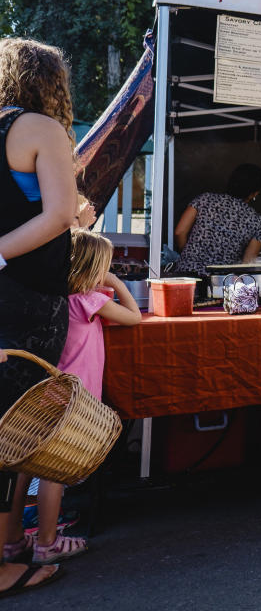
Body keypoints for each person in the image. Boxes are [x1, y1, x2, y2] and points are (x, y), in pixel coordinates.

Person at [5, 229, 142, 567]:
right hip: (72, 398)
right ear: (95, 269)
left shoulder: (51, 299)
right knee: (54, 470)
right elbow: (134, 317)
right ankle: (47, 543)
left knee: (23, 467)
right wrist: (116, 282)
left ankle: (12, 540)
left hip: (43, 391)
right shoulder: (90, 300)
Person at [0, 38, 78, 594]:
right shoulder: (41, 129)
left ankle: (11, 544)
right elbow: (60, 214)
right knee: (16, 427)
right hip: (28, 297)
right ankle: (5, 566)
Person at [174, 163, 261, 275]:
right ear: (254, 194)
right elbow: (248, 263)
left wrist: (189, 255)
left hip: (187, 273)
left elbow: (179, 232)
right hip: (221, 280)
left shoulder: (204, 199)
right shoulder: (257, 222)